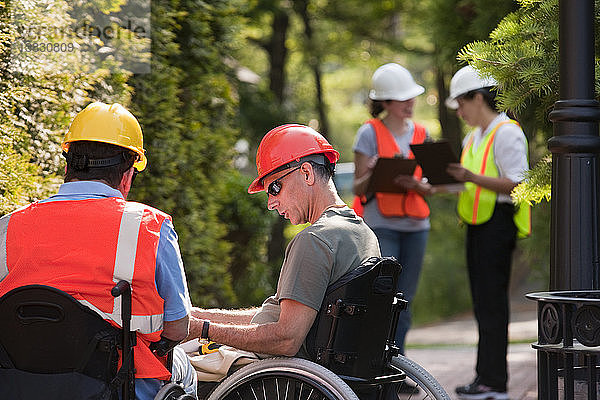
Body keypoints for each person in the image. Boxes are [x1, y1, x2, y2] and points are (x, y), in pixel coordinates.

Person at [0, 102, 197, 399]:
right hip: (120, 388)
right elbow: (178, 328)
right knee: (186, 370)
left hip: (19, 386)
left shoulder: (7, 227)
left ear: (68, 166)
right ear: (128, 175)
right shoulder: (150, 227)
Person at [187, 124, 381, 357]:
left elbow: (286, 339)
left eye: (274, 188)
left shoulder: (315, 240)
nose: (270, 203)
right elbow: (279, 316)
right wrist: (200, 316)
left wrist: (203, 329)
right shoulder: (363, 233)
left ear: (306, 173)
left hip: (287, 379)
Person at [445, 65, 530, 400]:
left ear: (478, 97)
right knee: (483, 304)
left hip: (498, 223)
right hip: (478, 224)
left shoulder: (507, 132)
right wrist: (432, 188)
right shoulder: (473, 137)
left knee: (493, 304)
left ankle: (495, 382)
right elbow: (468, 184)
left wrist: (469, 177)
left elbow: (518, 183)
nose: (460, 111)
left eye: (462, 104)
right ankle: (485, 377)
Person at [352, 63, 433, 357]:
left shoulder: (423, 134)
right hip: (381, 225)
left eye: (412, 97)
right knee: (383, 296)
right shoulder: (368, 134)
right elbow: (359, 189)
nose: (410, 103)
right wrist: (375, 173)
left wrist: (418, 185)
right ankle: (374, 364)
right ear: (385, 102)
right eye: (403, 98)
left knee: (405, 301)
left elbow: (433, 186)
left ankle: (397, 366)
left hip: (416, 228)